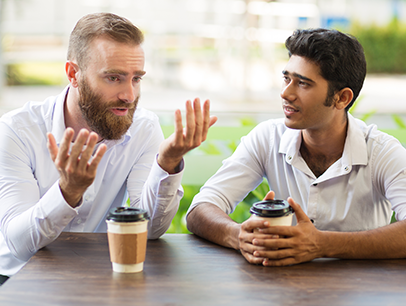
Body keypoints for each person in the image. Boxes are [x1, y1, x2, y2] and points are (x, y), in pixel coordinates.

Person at [0, 12, 217, 282]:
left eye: (136, 78)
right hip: (18, 280)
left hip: (98, 277)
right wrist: (68, 192)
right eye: (113, 78)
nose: (129, 95)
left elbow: (150, 230)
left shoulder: (143, 128)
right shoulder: (17, 131)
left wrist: (168, 162)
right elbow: (19, 244)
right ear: (73, 74)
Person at [186, 28, 406, 267]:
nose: (285, 93)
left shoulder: (382, 152)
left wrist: (323, 244)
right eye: (286, 78)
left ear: (342, 98)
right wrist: (238, 236)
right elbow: (200, 209)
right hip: (281, 290)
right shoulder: (268, 137)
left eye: (303, 84)